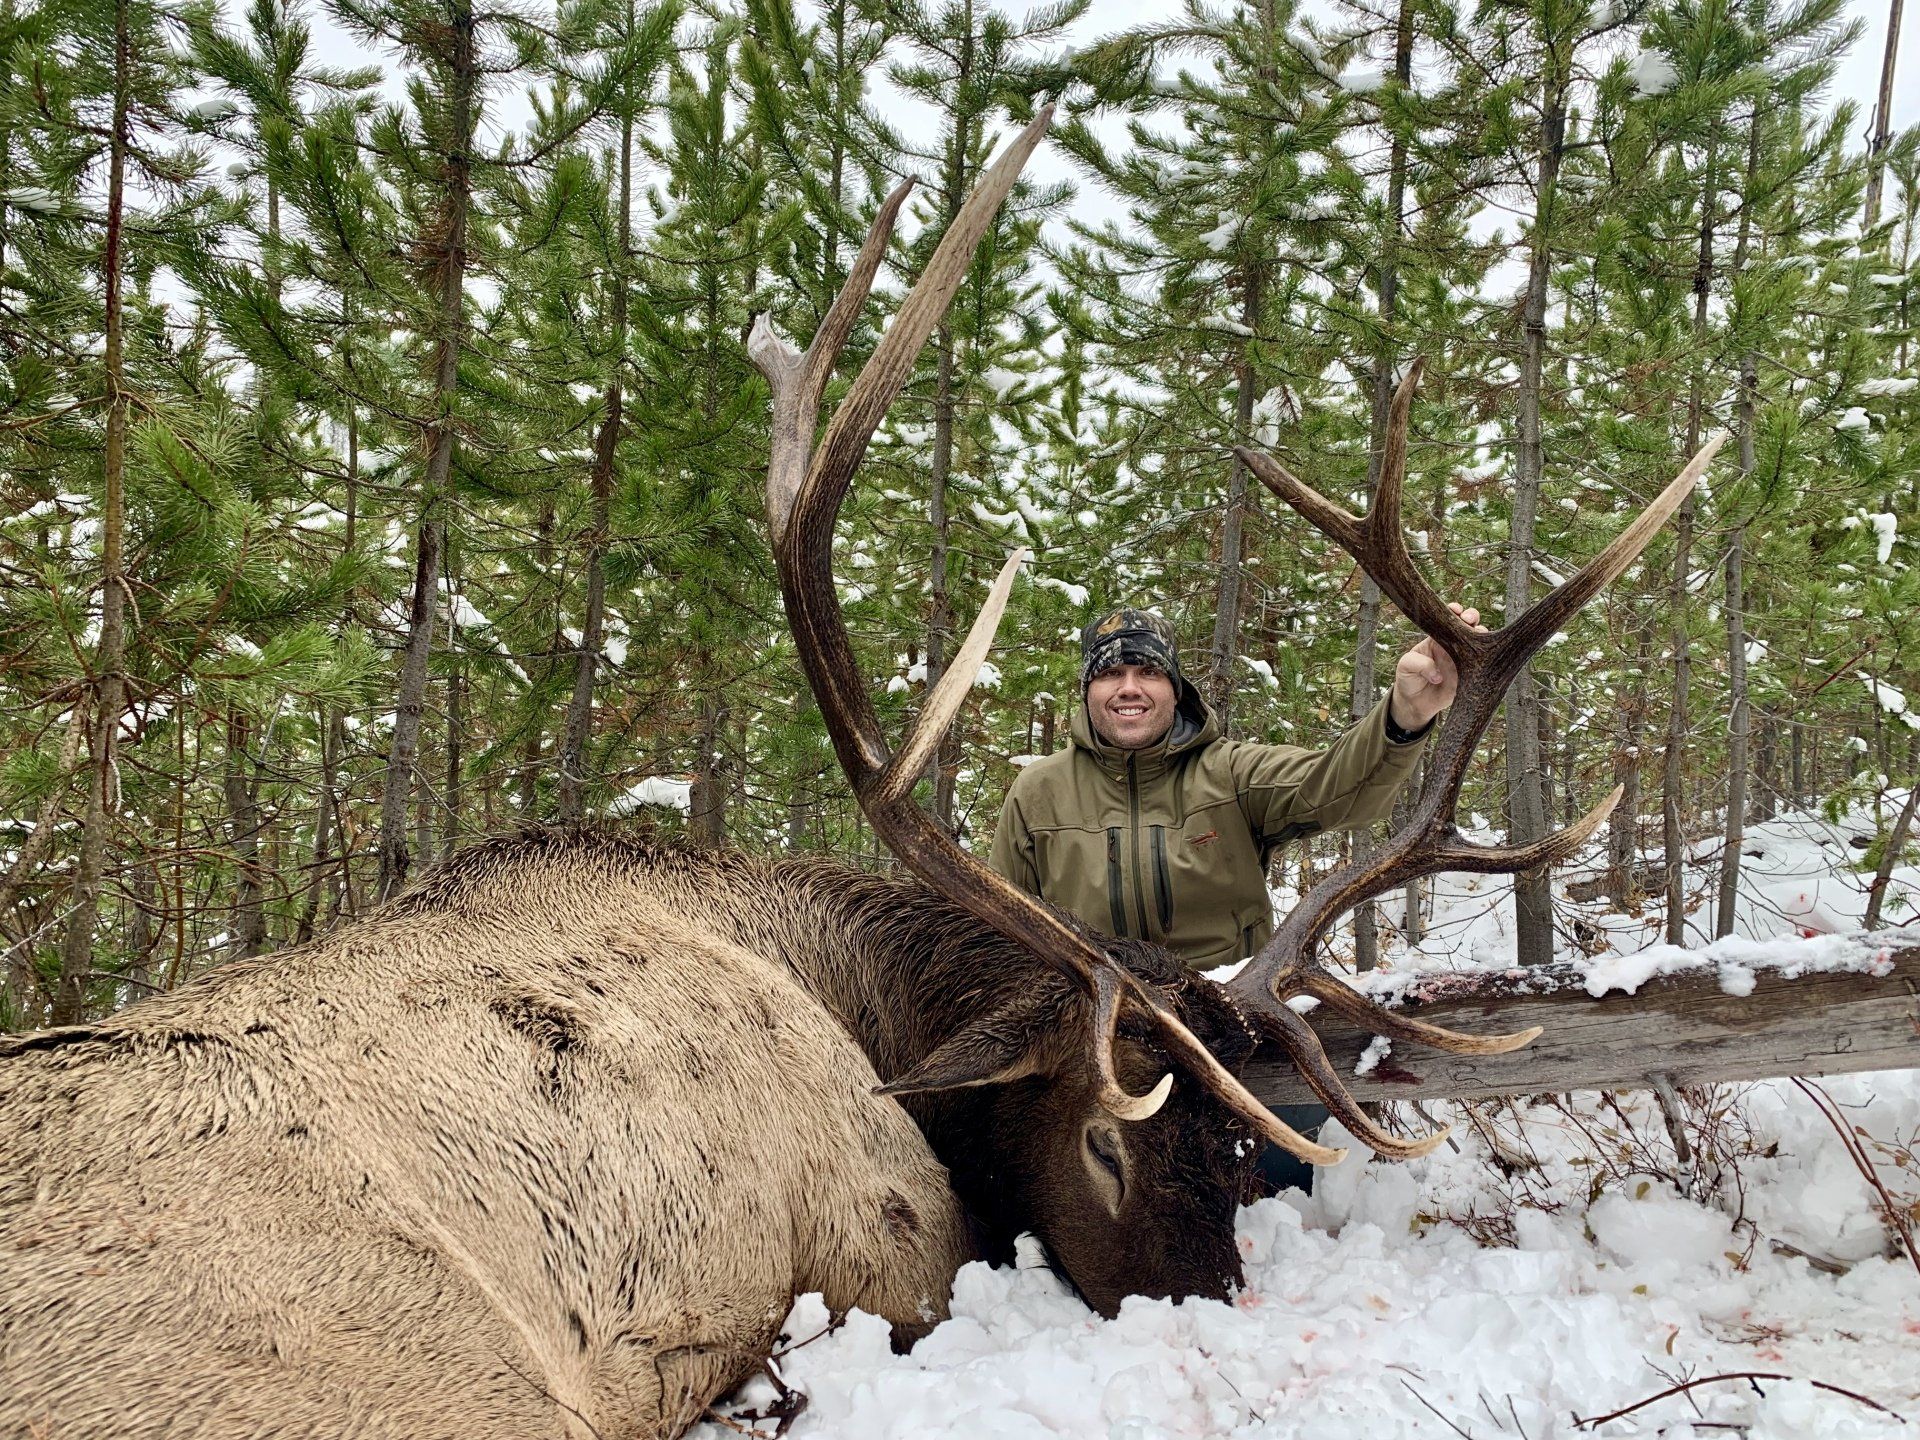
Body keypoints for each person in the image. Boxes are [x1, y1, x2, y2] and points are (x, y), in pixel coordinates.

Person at [987, 603, 1480, 1191]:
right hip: (1099, 1038)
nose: (1129, 688)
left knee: (1280, 1198)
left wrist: (1405, 713)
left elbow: (1337, 790)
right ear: (1088, 690)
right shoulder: (1037, 794)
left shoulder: (1231, 773)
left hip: (1233, 1020)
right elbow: (1000, 933)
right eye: (1109, 674)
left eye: (1147, 672)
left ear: (1174, 686)